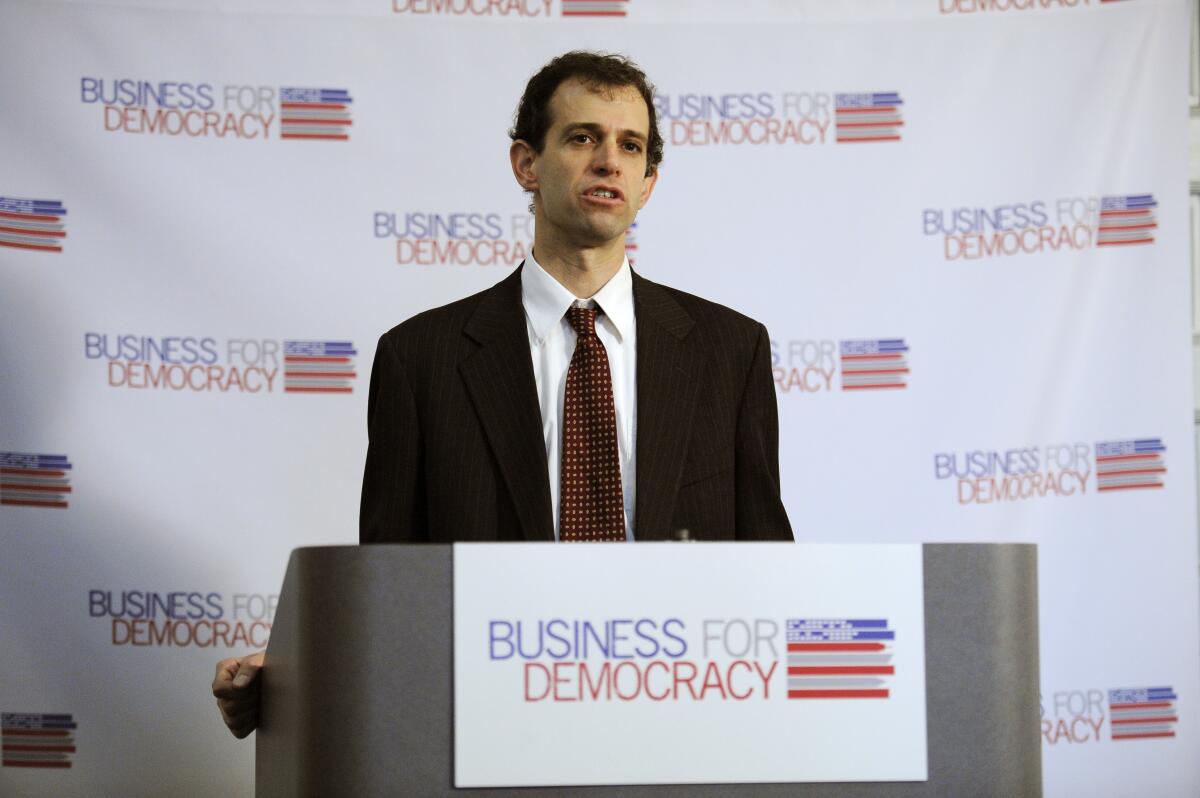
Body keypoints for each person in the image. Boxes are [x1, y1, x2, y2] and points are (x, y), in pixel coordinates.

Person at [213, 50, 792, 738]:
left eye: (629, 146)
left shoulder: (731, 351)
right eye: (583, 138)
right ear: (526, 164)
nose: (608, 160)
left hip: (684, 724)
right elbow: (390, 586)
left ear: (648, 182)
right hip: (488, 730)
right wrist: (293, 679)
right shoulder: (420, 359)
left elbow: (768, 571)